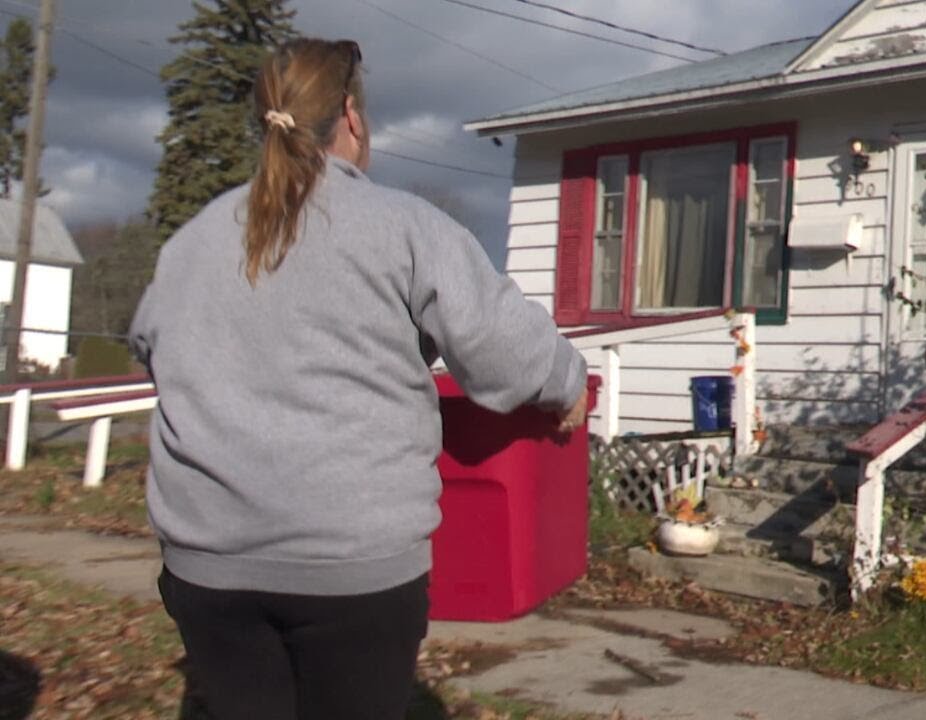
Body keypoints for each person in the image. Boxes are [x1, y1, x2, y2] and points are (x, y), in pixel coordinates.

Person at [128, 38, 588, 718]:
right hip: (351, 569)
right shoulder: (403, 227)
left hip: (207, 566)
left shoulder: (193, 240)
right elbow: (503, 349)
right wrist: (567, 381)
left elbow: (150, 344)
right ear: (350, 115)